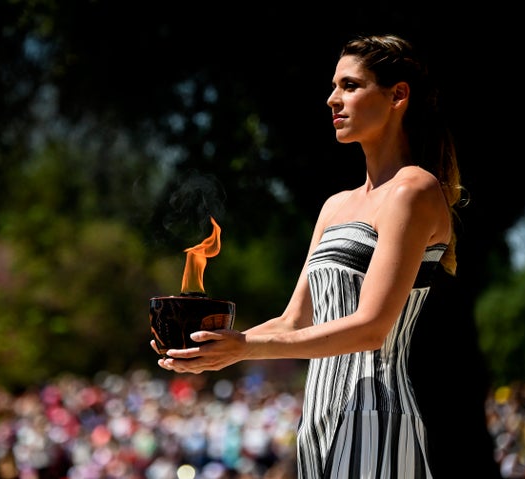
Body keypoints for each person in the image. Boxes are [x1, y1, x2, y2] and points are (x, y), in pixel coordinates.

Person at [152, 33, 466, 478]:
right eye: (334, 85)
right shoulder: (335, 206)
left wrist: (245, 347)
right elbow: (293, 321)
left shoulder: (413, 190)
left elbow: (371, 328)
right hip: (317, 421)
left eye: (350, 86)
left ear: (398, 96)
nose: (332, 99)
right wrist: (212, 349)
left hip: (375, 419)